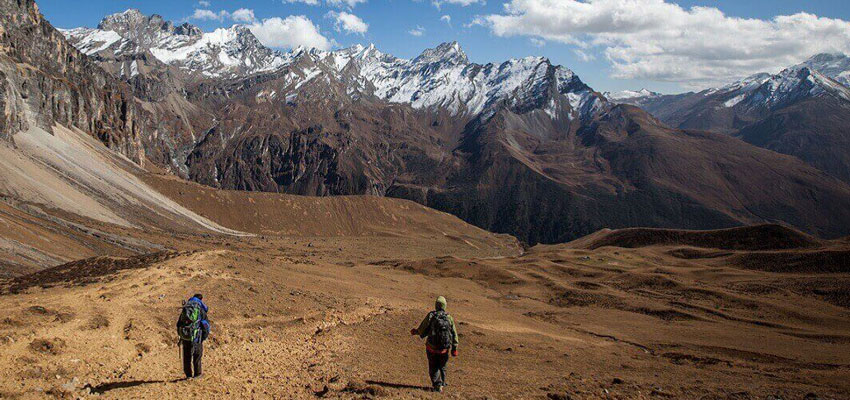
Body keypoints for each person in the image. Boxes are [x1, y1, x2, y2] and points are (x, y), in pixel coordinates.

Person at [410, 296, 459, 392]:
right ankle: (442, 383)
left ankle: (437, 384)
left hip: (431, 347)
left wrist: (415, 332)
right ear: (445, 306)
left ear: (436, 305)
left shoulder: (431, 315)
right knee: (443, 366)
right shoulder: (449, 318)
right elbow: (454, 334)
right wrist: (454, 348)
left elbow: (422, 329)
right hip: (444, 349)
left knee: (433, 366)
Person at [177, 293, 210, 379]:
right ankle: (197, 374)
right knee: (197, 355)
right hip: (197, 336)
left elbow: (178, 323)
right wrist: (203, 337)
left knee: (187, 355)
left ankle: (188, 375)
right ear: (201, 300)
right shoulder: (200, 309)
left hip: (185, 336)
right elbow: (205, 325)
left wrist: (181, 334)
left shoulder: (186, 308)